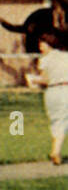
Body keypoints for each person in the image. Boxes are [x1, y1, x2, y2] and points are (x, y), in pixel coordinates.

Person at [26, 30, 68, 166]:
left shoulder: (45, 60)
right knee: (62, 120)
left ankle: (55, 151)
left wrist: (32, 80)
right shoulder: (65, 57)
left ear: (49, 44)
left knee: (57, 121)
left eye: (42, 44)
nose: (40, 47)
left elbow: (45, 79)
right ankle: (55, 151)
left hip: (53, 92)